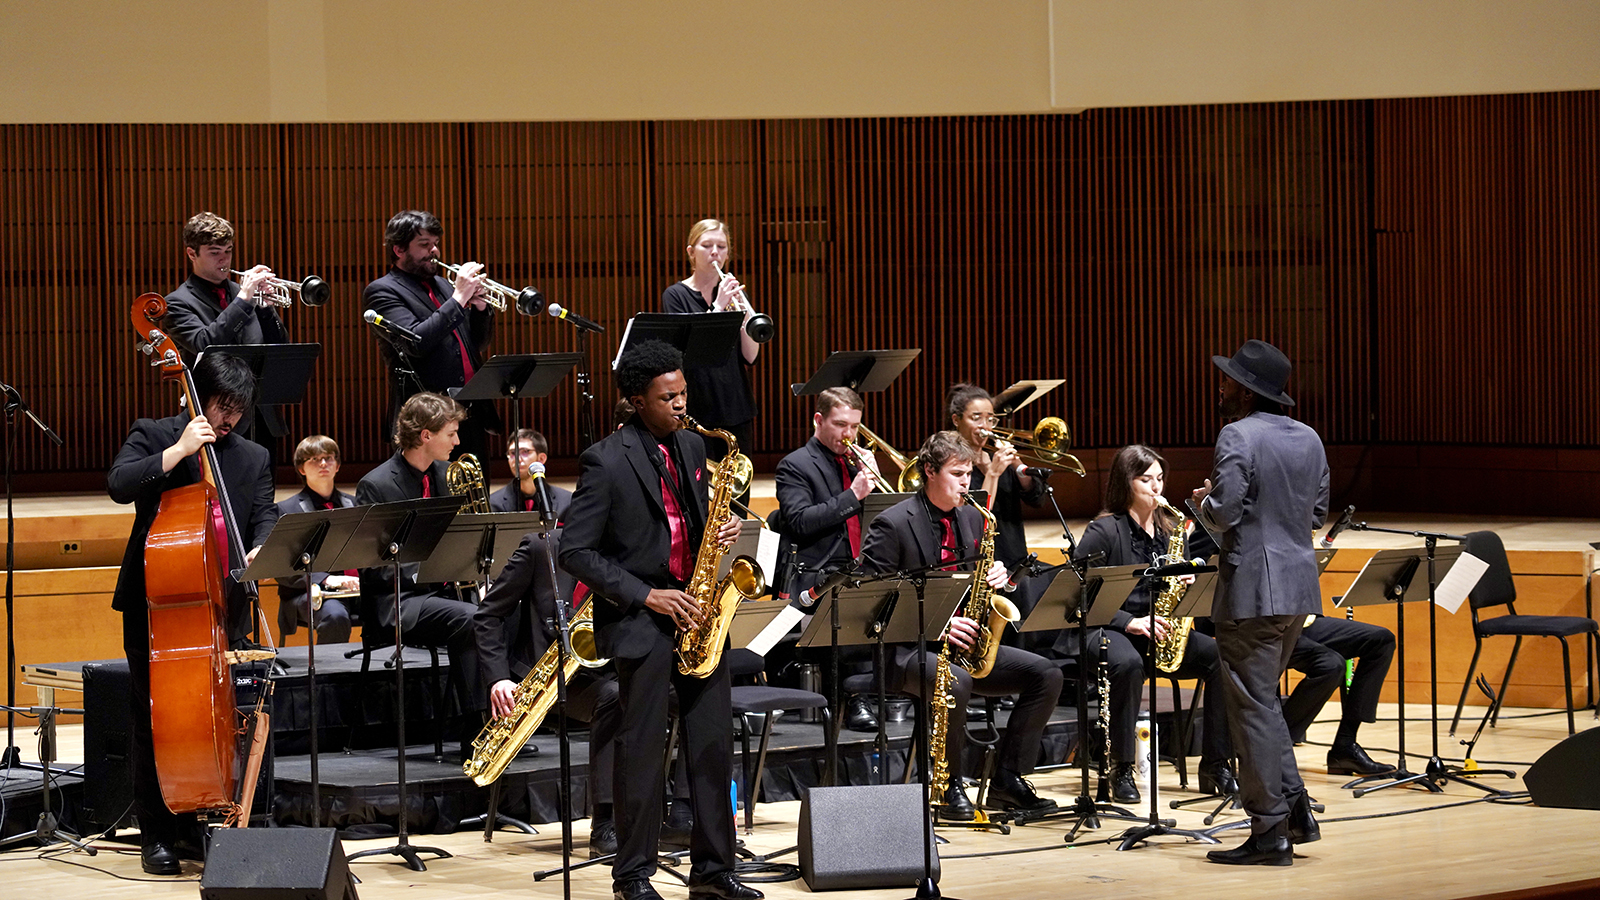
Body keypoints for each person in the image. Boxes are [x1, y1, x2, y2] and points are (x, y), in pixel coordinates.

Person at [558, 339, 759, 900]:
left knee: (712, 747)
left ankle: (715, 874)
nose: (679, 404)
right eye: (667, 397)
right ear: (636, 400)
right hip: (643, 620)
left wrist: (713, 538)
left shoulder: (695, 447)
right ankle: (633, 877)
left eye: (683, 394)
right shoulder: (605, 459)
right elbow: (575, 551)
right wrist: (647, 595)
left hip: (698, 616)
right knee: (642, 752)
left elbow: (686, 529)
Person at [107, 352, 278, 875]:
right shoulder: (155, 432)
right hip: (158, 606)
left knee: (218, 721)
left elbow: (266, 514)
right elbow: (118, 484)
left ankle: (207, 820)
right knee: (156, 721)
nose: (228, 420)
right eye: (221, 407)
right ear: (194, 395)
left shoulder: (252, 456)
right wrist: (177, 451)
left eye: (238, 411)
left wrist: (260, 549)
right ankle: (156, 833)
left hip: (224, 604)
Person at [858, 431, 1064, 818]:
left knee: (1046, 674)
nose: (966, 483)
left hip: (964, 646)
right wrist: (938, 627)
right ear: (929, 472)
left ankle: (1007, 777)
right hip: (907, 651)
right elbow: (875, 603)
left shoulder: (974, 516)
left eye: (969, 473)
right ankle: (948, 784)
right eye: (957, 474)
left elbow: (979, 580)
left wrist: (1002, 575)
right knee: (956, 680)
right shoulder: (893, 523)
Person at [1191, 339, 1330, 866]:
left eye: (1228, 380)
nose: (1221, 386)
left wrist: (1204, 502)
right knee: (1264, 704)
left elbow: (1224, 514)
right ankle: (1295, 812)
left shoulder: (1236, 434)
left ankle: (1269, 830)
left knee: (1251, 710)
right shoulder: (1311, 438)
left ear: (1246, 391)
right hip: (1298, 589)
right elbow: (1316, 515)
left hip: (1252, 591)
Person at [1064, 445, 1236, 804]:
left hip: (1160, 629)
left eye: (1160, 479)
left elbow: (1182, 587)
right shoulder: (1103, 531)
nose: (1156, 487)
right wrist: (1129, 621)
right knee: (1127, 664)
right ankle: (1120, 767)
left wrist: (1187, 584)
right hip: (1107, 628)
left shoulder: (1169, 530)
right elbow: (1076, 599)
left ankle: (1216, 763)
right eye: (1146, 479)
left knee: (1221, 658)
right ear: (1126, 483)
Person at [473, 523, 625, 856]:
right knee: (613, 699)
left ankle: (682, 814)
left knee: (686, 688)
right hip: (545, 681)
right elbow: (488, 615)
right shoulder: (541, 548)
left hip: (603, 669)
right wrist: (498, 678)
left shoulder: (625, 551)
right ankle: (604, 825)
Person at [356, 392, 485, 760]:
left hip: (445, 595)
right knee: (471, 619)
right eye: (451, 433)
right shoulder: (376, 485)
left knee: (500, 611)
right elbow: (373, 565)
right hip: (398, 601)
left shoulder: (448, 475)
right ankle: (478, 730)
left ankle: (511, 719)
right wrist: (430, 569)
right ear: (426, 435)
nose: (458, 442)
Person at [774, 386, 883, 732]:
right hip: (815, 573)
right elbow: (800, 521)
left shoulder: (856, 462)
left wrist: (876, 484)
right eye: (840, 425)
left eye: (854, 427)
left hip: (858, 565)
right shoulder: (794, 465)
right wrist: (853, 495)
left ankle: (882, 691)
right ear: (818, 420)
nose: (848, 435)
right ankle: (853, 699)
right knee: (845, 601)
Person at [363, 210, 500, 460]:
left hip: (470, 412)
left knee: (476, 493)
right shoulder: (382, 292)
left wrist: (480, 307)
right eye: (424, 245)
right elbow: (416, 341)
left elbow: (478, 343)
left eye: (435, 244)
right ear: (399, 250)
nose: (434, 251)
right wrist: (459, 298)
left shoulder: (443, 285)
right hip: (426, 419)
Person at [160, 211, 291, 455]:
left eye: (228, 250)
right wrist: (244, 299)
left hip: (261, 415)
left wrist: (265, 309)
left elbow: (280, 348)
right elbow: (204, 342)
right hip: (215, 420)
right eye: (214, 252)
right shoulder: (177, 304)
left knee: (264, 492)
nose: (225, 260)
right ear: (192, 254)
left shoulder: (246, 295)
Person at [661, 219, 760, 462]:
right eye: (707, 245)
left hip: (735, 404)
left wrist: (746, 313)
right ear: (691, 252)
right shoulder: (675, 296)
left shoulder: (736, 294)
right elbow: (689, 352)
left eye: (722, 246)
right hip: (697, 405)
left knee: (738, 491)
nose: (715, 252)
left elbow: (751, 356)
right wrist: (717, 307)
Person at [1284, 615, 1397, 776]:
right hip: (1271, 626)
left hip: (1305, 620)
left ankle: (1345, 745)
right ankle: (1276, 744)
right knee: (1331, 665)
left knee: (1381, 640)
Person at [274, 435, 357, 645]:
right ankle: (329, 677)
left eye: (328, 458)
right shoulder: (286, 510)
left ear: (337, 465)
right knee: (334, 616)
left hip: (355, 589)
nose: (323, 464)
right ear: (301, 469)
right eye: (314, 459)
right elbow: (283, 566)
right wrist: (326, 579)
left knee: (396, 606)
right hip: (307, 592)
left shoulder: (356, 505)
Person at [490, 428, 573, 518]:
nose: (517, 459)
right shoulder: (493, 503)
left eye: (525, 451)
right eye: (513, 453)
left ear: (541, 458)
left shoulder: (567, 501)